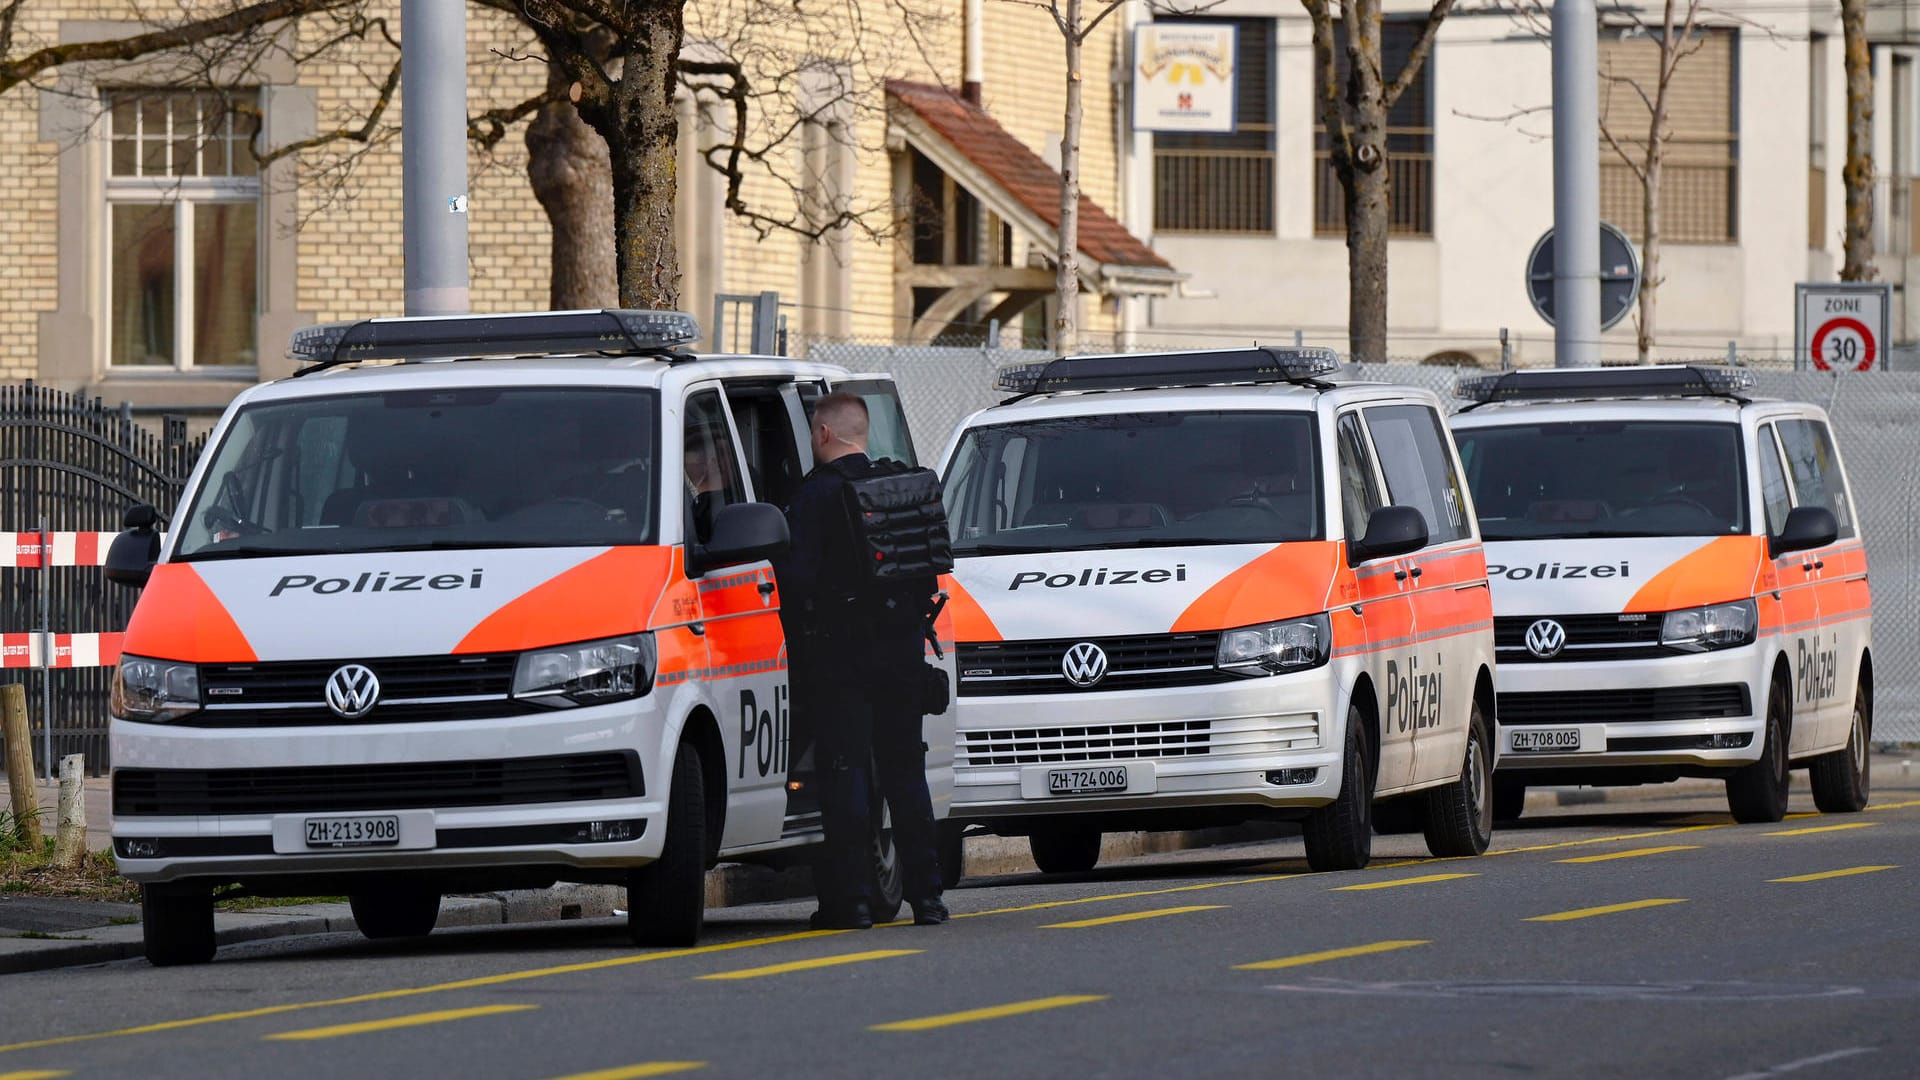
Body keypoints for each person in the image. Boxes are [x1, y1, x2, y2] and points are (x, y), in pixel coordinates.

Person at [775, 392, 948, 930]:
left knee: (845, 775)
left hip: (840, 658)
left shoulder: (814, 496)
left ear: (824, 434)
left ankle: (849, 904)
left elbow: (794, 580)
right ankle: (929, 900)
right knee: (905, 775)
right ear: (862, 433)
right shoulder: (896, 486)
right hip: (902, 652)